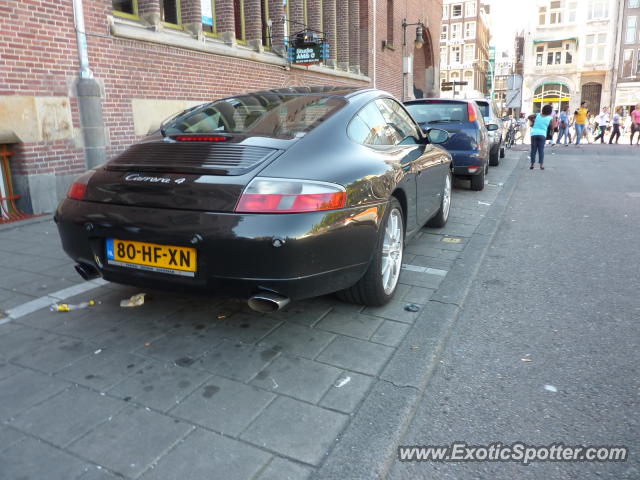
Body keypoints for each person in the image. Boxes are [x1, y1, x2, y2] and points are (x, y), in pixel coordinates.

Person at [530, 104, 553, 170]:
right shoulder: (550, 118)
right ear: (550, 111)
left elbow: (529, 117)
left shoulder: (537, 115)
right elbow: (551, 127)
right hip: (542, 135)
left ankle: (532, 164)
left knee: (533, 150)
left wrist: (532, 122)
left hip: (534, 134)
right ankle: (541, 165)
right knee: (541, 150)